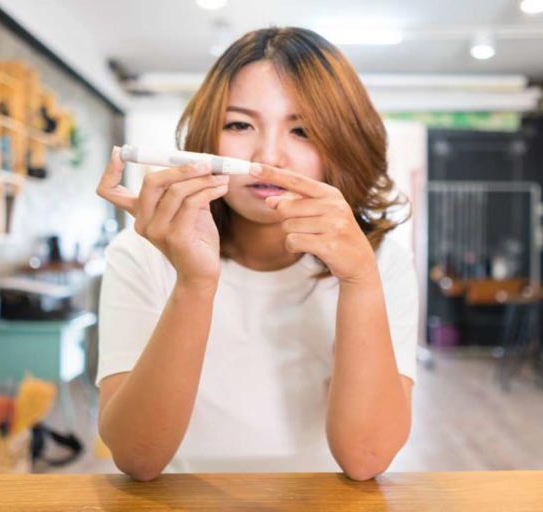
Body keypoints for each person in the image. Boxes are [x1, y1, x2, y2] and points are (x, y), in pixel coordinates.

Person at [94, 27, 418, 481]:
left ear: (344, 142)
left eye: (303, 130)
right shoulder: (142, 253)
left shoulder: (381, 261)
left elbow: (366, 459)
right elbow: (137, 458)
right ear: (206, 139)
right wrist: (195, 284)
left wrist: (360, 282)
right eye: (239, 125)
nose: (270, 156)